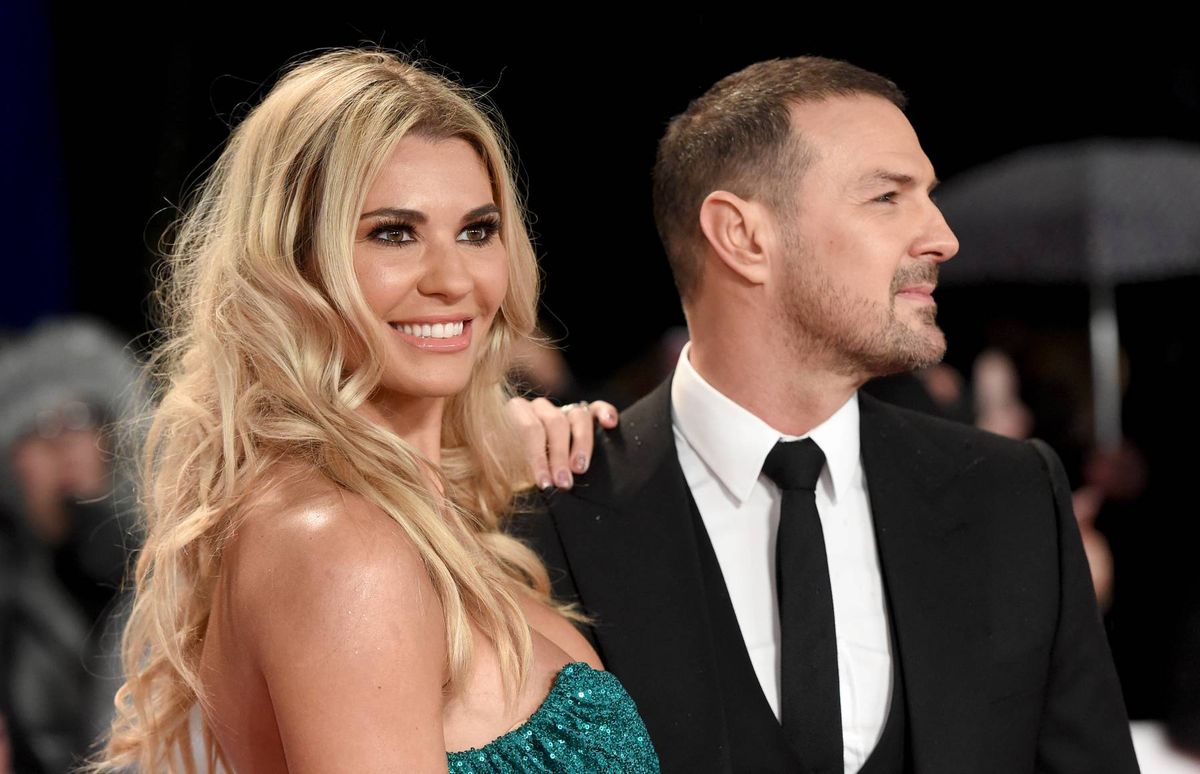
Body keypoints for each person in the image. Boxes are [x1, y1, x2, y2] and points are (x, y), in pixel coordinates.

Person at [513, 57, 1139, 773]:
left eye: (928, 196)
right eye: (887, 197)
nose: (942, 237)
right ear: (742, 236)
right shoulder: (548, 511)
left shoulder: (1012, 495)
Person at [87, 49, 658, 773]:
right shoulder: (340, 546)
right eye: (394, 233)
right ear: (293, 265)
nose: (453, 279)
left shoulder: (415, 517)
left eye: (477, 231)